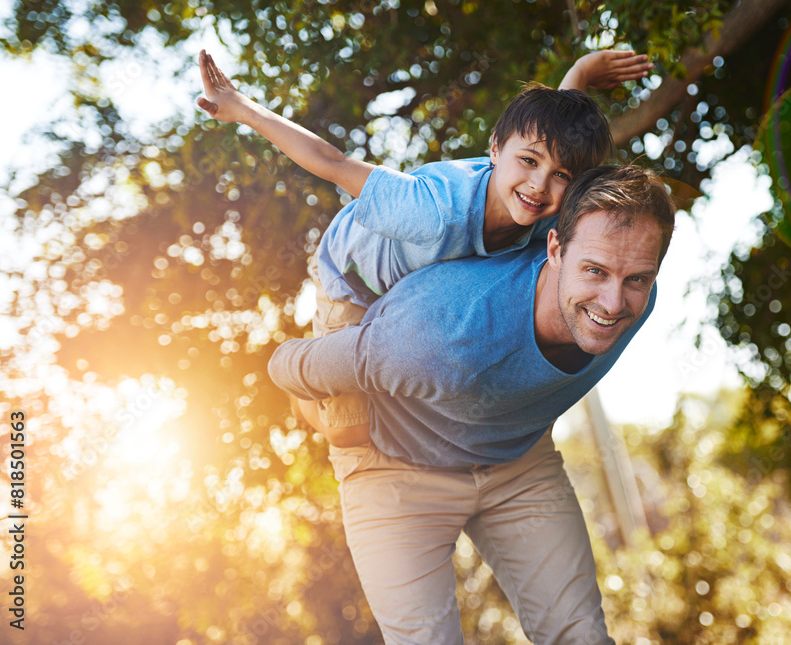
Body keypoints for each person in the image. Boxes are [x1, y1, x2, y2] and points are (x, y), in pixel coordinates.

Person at [269, 164, 676, 643]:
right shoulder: (439, 336)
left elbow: (558, 136)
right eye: (595, 271)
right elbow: (285, 365)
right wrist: (328, 419)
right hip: (395, 465)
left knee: (581, 635)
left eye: (636, 278)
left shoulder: (638, 301)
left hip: (516, 462)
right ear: (555, 250)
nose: (612, 302)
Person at [196, 49, 652, 447]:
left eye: (560, 178)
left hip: (417, 288)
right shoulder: (432, 210)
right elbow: (331, 163)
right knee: (349, 431)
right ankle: (304, 399)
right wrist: (243, 109)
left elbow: (557, 136)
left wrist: (582, 72)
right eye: (528, 163)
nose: (538, 185)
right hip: (351, 279)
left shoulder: (549, 206)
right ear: (496, 147)